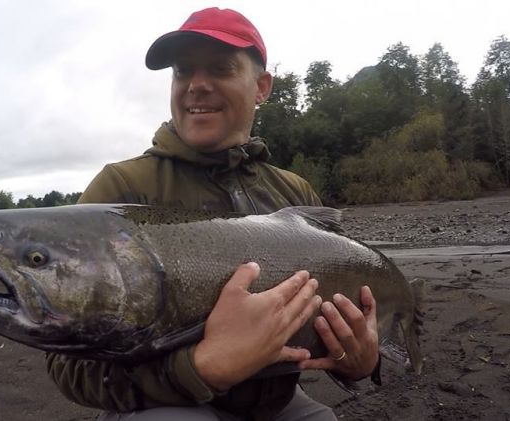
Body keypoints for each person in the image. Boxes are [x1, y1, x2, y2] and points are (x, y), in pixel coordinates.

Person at [46, 7, 380, 421]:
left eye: (220, 69)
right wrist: (201, 368)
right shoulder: (120, 190)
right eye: (183, 71)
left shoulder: (294, 193)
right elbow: (70, 367)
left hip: (276, 404)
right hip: (168, 406)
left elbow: (348, 342)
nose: (196, 86)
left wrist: (363, 360)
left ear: (261, 86)